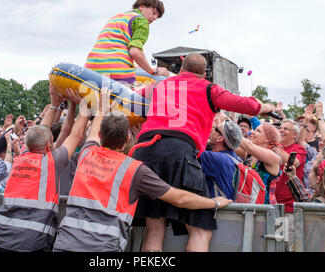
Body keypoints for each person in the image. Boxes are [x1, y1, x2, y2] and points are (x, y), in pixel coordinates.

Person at [52, 88, 232, 252]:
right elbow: (179, 198)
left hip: (64, 244)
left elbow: (78, 134)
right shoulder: (134, 170)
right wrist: (214, 203)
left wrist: (88, 103)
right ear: (128, 138)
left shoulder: (86, 153)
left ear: (100, 136)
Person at [131, 53, 275, 252]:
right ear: (204, 74)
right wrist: (266, 107)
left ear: (182, 69)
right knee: (200, 230)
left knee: (154, 228)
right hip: (178, 150)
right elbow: (246, 105)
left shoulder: (159, 86)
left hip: (144, 151)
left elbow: (131, 97)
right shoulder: (209, 89)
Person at [0, 85, 90, 252]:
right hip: (31, 240)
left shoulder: (21, 155)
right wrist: (82, 106)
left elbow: (41, 130)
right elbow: (75, 135)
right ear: (50, 145)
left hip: (0, 234)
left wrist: (54, 104)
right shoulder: (52, 160)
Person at [85, 0, 169, 84]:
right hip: (116, 74)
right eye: (153, 13)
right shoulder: (141, 21)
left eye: (157, 16)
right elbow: (135, 52)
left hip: (91, 70)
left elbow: (113, 55)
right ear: (141, 7)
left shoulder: (116, 17)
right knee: (159, 80)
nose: (155, 18)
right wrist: (153, 71)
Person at [272, 119, 306, 251]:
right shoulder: (273, 147)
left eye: (286, 129)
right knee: (274, 243)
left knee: (287, 246)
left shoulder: (299, 149)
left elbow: (295, 163)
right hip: (272, 206)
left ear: (295, 135)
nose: (281, 130)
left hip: (289, 208)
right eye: (280, 128)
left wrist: (278, 150)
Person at [199, 119, 243, 200]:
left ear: (220, 138)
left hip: (216, 212)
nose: (212, 130)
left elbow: (190, 150)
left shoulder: (217, 160)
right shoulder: (233, 158)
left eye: (215, 129)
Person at [239, 123, 281, 204]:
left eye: (258, 131)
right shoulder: (249, 154)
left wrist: (231, 127)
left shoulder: (273, 156)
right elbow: (232, 144)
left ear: (268, 139)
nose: (252, 132)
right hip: (247, 203)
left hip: (265, 209)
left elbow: (248, 146)